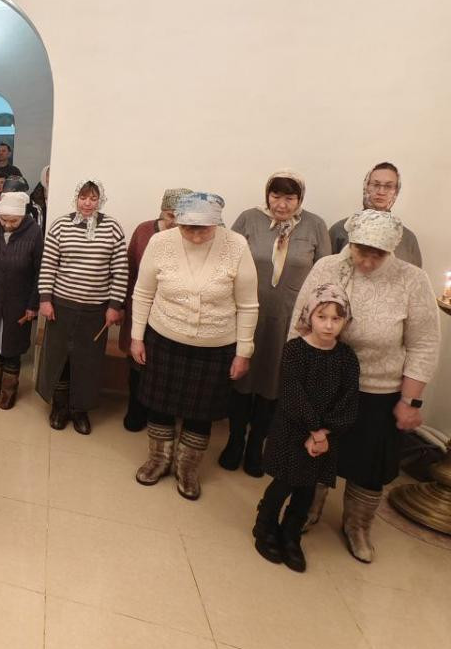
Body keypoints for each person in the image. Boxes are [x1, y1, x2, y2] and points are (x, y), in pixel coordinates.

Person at [293, 210, 440, 563]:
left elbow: (424, 343)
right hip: (325, 383)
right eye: (362, 251)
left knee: (370, 465)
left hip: (379, 389)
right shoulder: (328, 267)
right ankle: (308, 509)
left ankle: (358, 525)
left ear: (392, 250)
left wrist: (410, 400)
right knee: (317, 450)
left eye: (378, 254)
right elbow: (300, 323)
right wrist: (296, 378)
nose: (368, 261)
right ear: (351, 242)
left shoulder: (412, 279)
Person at [129, 192, 258, 499]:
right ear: (177, 220)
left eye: (204, 229)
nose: (196, 236)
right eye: (188, 228)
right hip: (164, 338)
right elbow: (143, 293)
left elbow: (248, 305)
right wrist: (136, 336)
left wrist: (244, 351)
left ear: (217, 222)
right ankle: (158, 459)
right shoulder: (160, 242)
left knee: (201, 412)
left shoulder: (236, 245)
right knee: (159, 404)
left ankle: (187, 468)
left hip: (216, 347)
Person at [219, 171, 331, 476]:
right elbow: (226, 261)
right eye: (276, 196)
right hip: (248, 315)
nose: (282, 204)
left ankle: (257, 446)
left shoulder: (315, 225)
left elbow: (325, 276)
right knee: (242, 379)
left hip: (290, 321)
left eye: (290, 198)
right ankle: (235, 441)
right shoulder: (249, 219)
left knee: (274, 383)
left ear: (300, 199)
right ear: (267, 195)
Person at [254, 283, 359, 573]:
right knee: (284, 483)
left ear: (345, 321)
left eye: (336, 318)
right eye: (321, 316)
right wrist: (313, 430)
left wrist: (325, 433)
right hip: (293, 430)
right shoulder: (295, 350)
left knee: (308, 488)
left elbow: (348, 400)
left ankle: (291, 533)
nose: (328, 325)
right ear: (309, 315)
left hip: (325, 437)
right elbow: (292, 393)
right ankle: (264, 525)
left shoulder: (347, 358)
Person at [35, 179, 128, 435]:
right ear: (76, 198)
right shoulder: (60, 226)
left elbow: (120, 270)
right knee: (59, 358)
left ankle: (80, 410)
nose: (87, 203)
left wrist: (114, 305)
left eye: (93, 198)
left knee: (88, 362)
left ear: (100, 200)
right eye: (83, 198)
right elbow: (48, 265)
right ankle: (60, 407)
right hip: (61, 306)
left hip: (95, 311)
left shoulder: (112, 228)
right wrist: (45, 299)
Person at [118, 188, 192, 432]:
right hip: (139, 308)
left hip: (172, 314)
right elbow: (129, 270)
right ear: (161, 211)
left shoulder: (191, 237)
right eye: (169, 215)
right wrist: (121, 305)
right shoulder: (143, 231)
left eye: (180, 217)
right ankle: (136, 410)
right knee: (136, 363)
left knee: (163, 367)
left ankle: (158, 415)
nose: (174, 222)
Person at [0, 192, 43, 409]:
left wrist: (33, 305)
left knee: (13, 347)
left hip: (19, 301)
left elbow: (40, 273)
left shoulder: (34, 232)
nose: (8, 225)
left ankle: (9, 389)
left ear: (22, 217)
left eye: (14, 221)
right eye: (4, 219)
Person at [329, 162, 422, 266]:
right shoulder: (340, 230)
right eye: (376, 185)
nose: (381, 192)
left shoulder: (408, 239)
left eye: (388, 186)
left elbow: (415, 274)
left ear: (396, 191)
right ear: (366, 186)